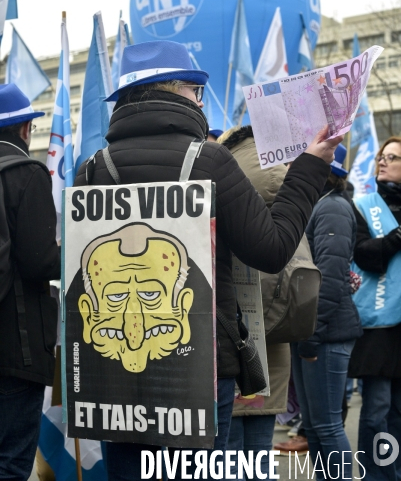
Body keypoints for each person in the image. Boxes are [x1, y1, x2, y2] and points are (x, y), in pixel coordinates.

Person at [74, 40, 343, 481]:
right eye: (198, 91)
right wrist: (310, 168)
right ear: (179, 92)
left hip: (113, 376)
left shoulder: (91, 169)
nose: (201, 101)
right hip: (197, 369)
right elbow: (271, 250)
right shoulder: (208, 160)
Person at [275, 144, 362, 480]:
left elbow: (329, 279)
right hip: (312, 333)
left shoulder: (333, 208)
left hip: (324, 334)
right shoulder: (319, 205)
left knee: (326, 425)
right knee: (314, 425)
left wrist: (310, 336)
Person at [218, 124, 291, 479]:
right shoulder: (283, 190)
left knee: (228, 462)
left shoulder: (220, 187)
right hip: (275, 343)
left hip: (232, 343)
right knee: (260, 459)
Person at [0, 84, 60, 481]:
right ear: (25, 129)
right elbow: (40, 261)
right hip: (15, 349)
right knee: (11, 461)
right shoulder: (27, 174)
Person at [349, 136, 401, 481]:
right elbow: (366, 255)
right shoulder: (363, 204)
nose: (383, 161)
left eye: (392, 157)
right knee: (377, 411)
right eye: (382, 156)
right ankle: (374, 475)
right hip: (378, 324)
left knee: (397, 412)